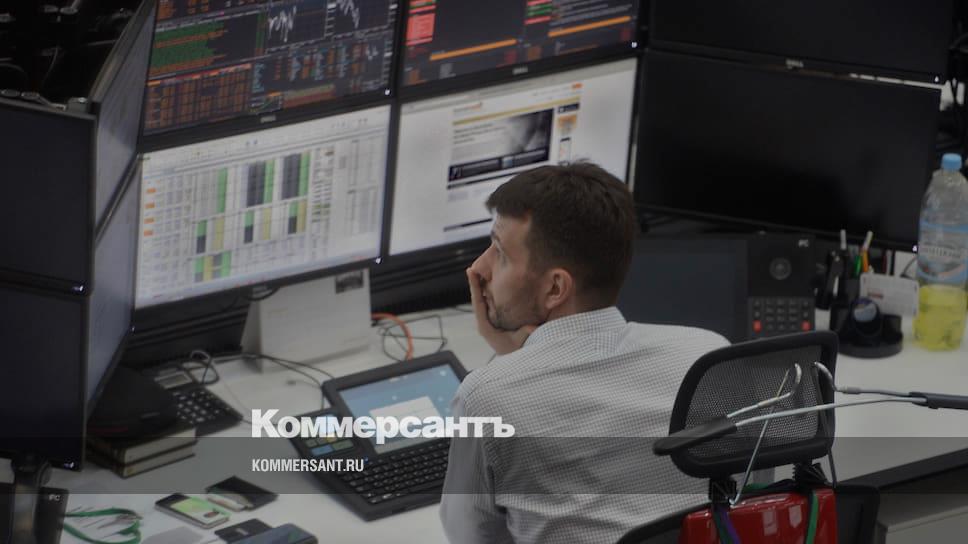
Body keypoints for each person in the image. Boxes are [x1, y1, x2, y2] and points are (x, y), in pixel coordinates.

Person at [439, 163, 729, 543]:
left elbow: (472, 537)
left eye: (500, 254)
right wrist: (519, 359)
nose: (479, 268)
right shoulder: (708, 356)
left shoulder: (486, 398)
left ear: (555, 289)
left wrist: (510, 367)